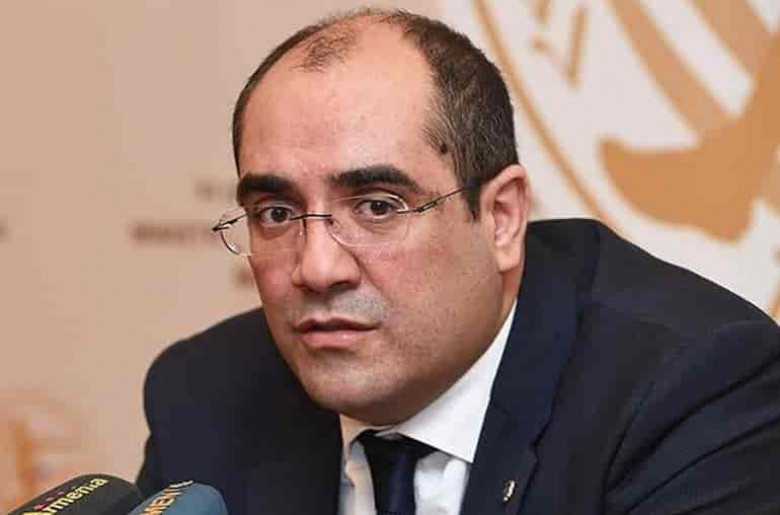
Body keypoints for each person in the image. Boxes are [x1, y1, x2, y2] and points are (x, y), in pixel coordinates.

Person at [136, 8, 780, 514]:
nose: (317, 269)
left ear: (501, 218)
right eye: (277, 213)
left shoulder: (691, 389)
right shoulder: (204, 394)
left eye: (378, 206)